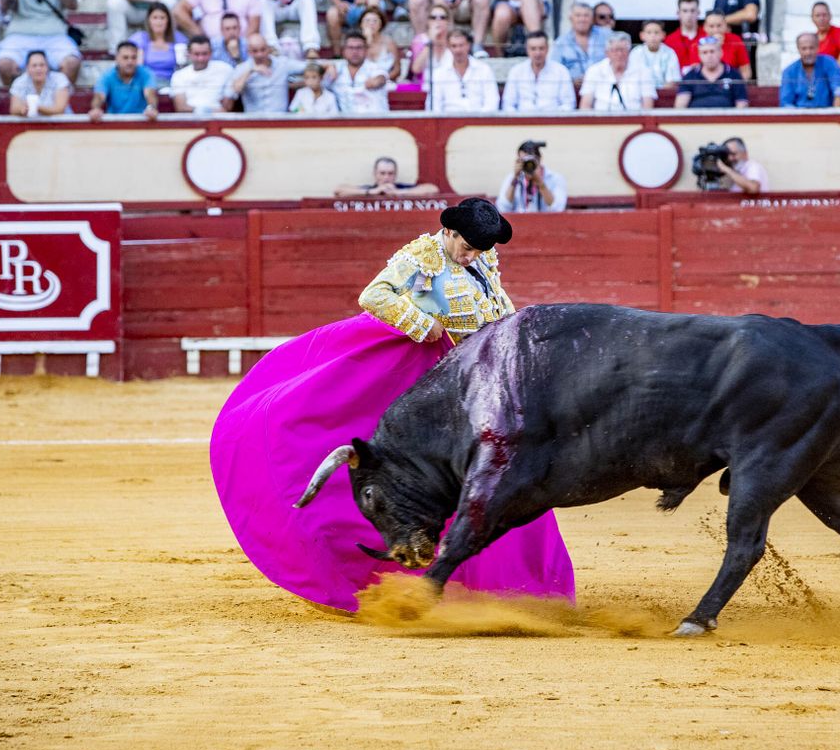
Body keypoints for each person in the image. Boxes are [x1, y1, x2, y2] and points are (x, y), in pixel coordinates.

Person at [209, 197, 574, 613]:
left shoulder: (483, 258)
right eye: (468, 247)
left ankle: (515, 584)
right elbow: (374, 295)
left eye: (480, 249)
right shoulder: (422, 257)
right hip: (436, 382)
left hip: (480, 380)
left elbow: (500, 310)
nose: (474, 255)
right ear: (450, 232)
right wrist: (422, 325)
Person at [574, 31, 651, 111]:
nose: (619, 54)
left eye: (623, 50)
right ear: (607, 53)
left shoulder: (643, 71)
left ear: (629, 51)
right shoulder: (594, 71)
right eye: (615, 50)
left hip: (634, 121)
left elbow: (648, 107)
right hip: (601, 121)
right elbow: (585, 105)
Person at [426, 27, 498, 111]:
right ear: (448, 47)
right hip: (448, 121)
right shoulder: (439, 73)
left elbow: (492, 102)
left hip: (479, 121)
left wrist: (479, 121)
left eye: (461, 45)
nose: (458, 50)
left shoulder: (484, 70)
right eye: (454, 46)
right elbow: (433, 105)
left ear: (469, 45)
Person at [500, 29, 575, 110]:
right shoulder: (516, 71)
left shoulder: (561, 71)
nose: (537, 53)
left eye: (541, 48)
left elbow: (568, 104)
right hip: (522, 120)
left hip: (552, 120)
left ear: (547, 49)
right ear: (527, 49)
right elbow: (508, 104)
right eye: (533, 49)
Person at [89, 38, 160, 120]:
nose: (130, 62)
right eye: (125, 58)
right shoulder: (107, 76)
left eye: (133, 57)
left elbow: (150, 94)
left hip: (140, 123)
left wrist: (151, 108)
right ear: (117, 58)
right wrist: (96, 109)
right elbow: (99, 96)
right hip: (114, 124)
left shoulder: (146, 74)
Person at [674, 34, 748, 109]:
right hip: (697, 119)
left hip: (726, 119)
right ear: (699, 55)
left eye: (712, 51)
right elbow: (680, 106)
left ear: (720, 53)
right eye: (704, 52)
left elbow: (742, 104)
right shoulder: (690, 76)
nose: (709, 56)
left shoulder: (733, 74)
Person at [229, 32, 298, 112]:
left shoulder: (283, 64)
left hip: (279, 121)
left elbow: (310, 66)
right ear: (249, 52)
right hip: (253, 121)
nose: (260, 54)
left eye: (263, 50)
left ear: (269, 49)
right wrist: (251, 70)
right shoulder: (243, 68)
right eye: (255, 51)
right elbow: (234, 90)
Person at [326, 31, 391, 112]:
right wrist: (327, 66)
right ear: (344, 51)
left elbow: (381, 78)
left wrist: (377, 81)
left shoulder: (375, 67)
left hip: (374, 120)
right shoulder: (337, 68)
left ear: (366, 50)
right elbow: (310, 68)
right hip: (346, 122)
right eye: (350, 48)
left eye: (359, 48)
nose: (355, 52)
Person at [779, 31, 840, 108]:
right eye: (804, 48)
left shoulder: (830, 63)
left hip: (826, 115)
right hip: (799, 116)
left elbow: (839, 91)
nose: (808, 52)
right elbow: (786, 103)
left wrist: (834, 115)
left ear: (818, 47)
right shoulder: (789, 72)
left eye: (811, 48)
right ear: (798, 49)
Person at [170, 35, 235, 112]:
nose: (201, 58)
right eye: (196, 54)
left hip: (219, 120)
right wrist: (206, 111)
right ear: (189, 54)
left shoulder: (226, 69)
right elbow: (181, 107)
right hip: (190, 120)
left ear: (211, 53)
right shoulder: (179, 76)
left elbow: (228, 105)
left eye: (204, 54)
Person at [496, 140, 566, 213]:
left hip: (546, 223)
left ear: (540, 158)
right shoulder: (511, 178)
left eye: (531, 161)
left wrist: (541, 184)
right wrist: (515, 179)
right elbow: (502, 208)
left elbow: (558, 209)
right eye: (524, 161)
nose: (528, 165)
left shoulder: (555, 178)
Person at [131, 1, 187, 82]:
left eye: (162, 18)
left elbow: (183, 65)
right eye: (155, 17)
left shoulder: (178, 38)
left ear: (168, 20)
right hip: (147, 83)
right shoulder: (140, 38)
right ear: (148, 20)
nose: (158, 22)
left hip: (172, 82)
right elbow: (138, 68)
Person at [334, 155, 439, 197]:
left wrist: (398, 192)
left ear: (395, 175)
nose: (386, 177)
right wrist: (372, 192)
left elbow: (432, 189)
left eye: (390, 173)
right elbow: (339, 190)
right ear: (375, 174)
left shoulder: (401, 188)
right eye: (382, 173)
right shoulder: (369, 189)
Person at [7, 47, 72, 114]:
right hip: (31, 123)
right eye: (34, 66)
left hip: (61, 123)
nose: (38, 69)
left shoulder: (60, 79)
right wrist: (22, 109)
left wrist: (36, 107)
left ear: (47, 67)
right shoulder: (19, 82)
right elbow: (13, 109)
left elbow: (59, 109)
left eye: (42, 65)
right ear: (27, 68)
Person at [552, 1, 608, 80]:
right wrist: (572, 80)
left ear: (592, 19)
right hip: (572, 89)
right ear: (571, 18)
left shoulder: (607, 36)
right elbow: (554, 70)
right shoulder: (561, 42)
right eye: (578, 15)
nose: (582, 19)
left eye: (586, 15)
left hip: (602, 86)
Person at [630, 20, 677, 90]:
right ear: (642, 35)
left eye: (656, 32)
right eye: (649, 32)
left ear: (663, 35)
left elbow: (672, 81)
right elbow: (632, 78)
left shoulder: (670, 53)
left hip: (664, 93)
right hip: (641, 93)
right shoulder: (636, 53)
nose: (653, 36)